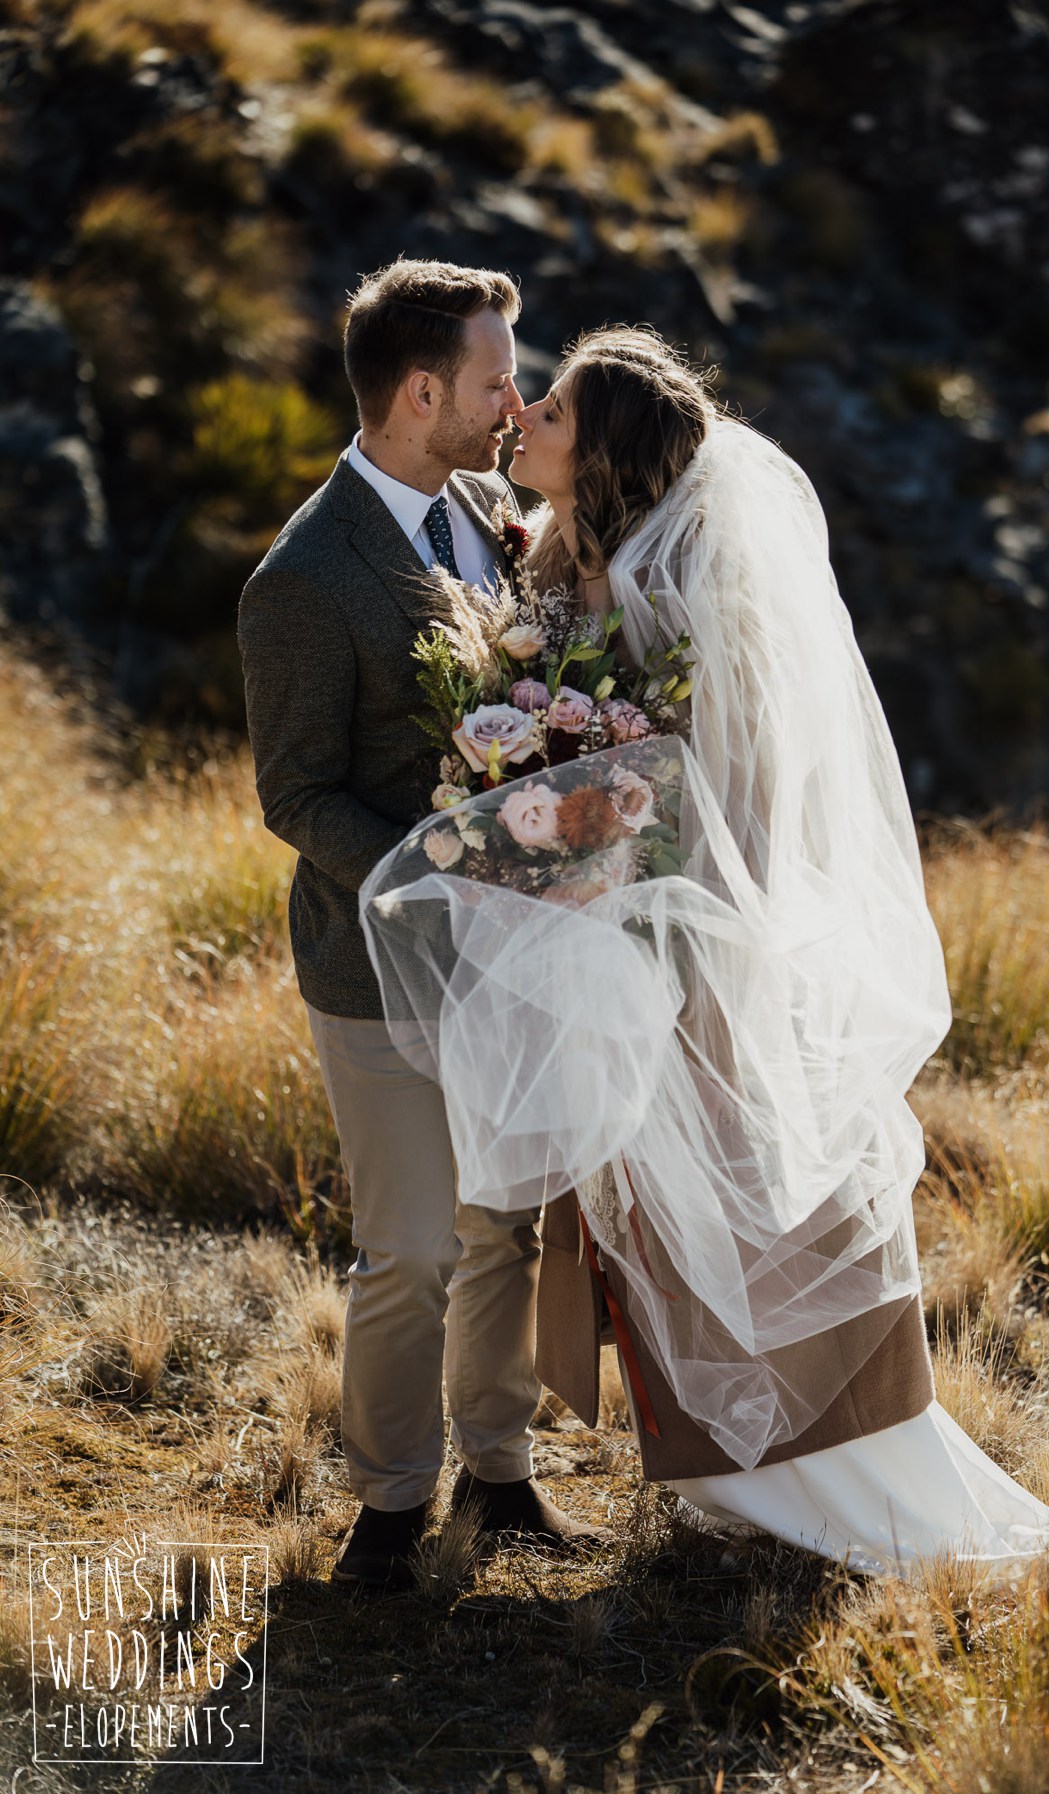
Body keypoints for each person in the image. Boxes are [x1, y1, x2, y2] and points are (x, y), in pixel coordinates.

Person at [361, 327, 1049, 1611]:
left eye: (558, 409)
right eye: (521, 395)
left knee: (742, 1196)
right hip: (602, 953)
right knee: (655, 1217)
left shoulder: (698, 592)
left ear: (613, 450)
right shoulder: (546, 557)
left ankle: (814, 1474)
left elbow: (735, 789)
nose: (523, 413)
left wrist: (619, 854)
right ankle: (715, 1470)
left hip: (690, 950)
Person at [237, 257, 608, 1593]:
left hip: (509, 954)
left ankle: (499, 1476)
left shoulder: (483, 507)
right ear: (418, 392)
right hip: (380, 966)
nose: (517, 399)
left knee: (504, 1222)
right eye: (497, 378)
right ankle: (389, 1507)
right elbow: (295, 793)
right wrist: (430, 871)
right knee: (412, 1246)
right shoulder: (304, 578)